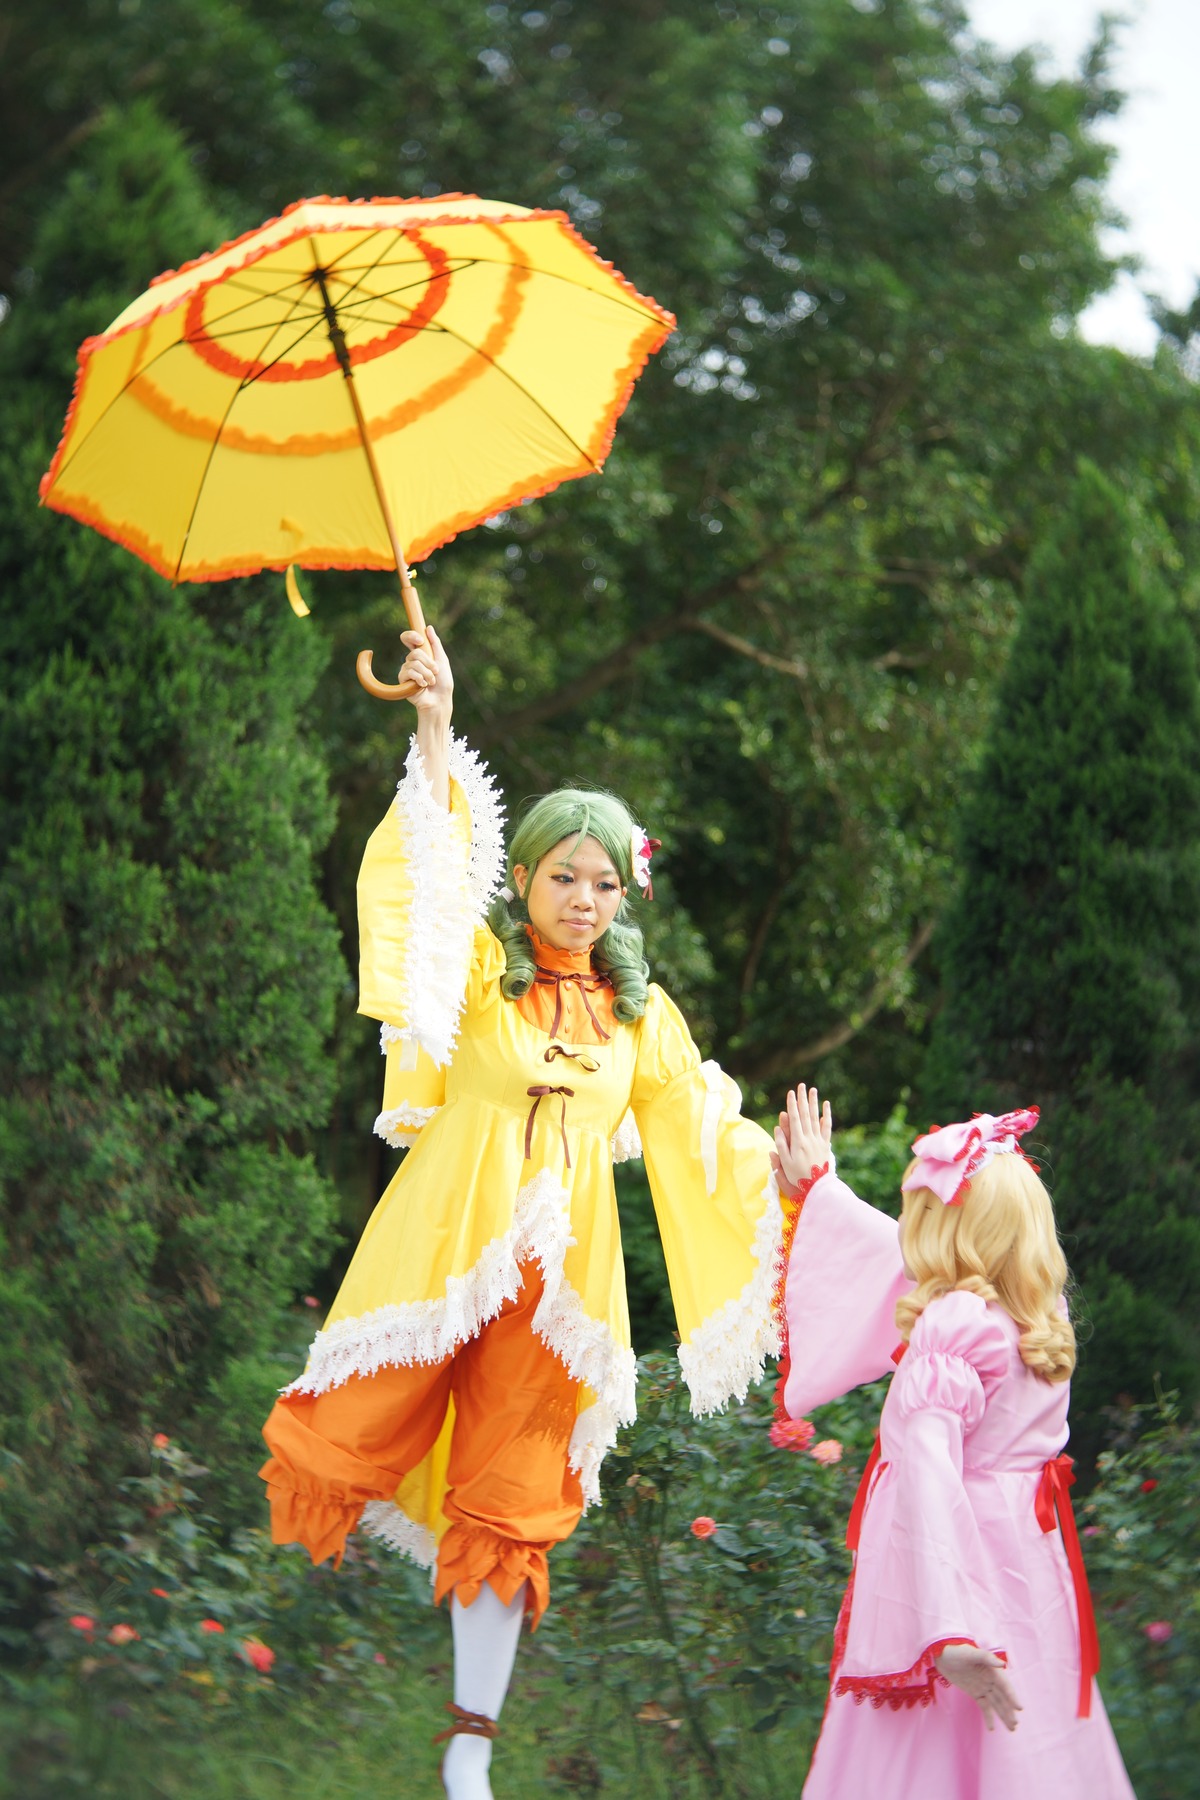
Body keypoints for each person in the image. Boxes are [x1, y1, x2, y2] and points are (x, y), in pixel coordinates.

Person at [260, 626, 783, 1799]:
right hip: (447, 1256)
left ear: (624, 890)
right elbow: (430, 879)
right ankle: (286, 1674)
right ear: (530, 877)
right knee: (351, 1434)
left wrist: (790, 1176)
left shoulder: (642, 1018)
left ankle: (469, 1752)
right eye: (565, 877)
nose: (585, 900)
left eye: (604, 882)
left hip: (561, 1294)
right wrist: (435, 720)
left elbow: (702, 1128)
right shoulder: (477, 967)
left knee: (509, 1507)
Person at [772, 1086, 1136, 1800]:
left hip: (956, 1568)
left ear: (949, 1228)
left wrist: (947, 1630)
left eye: (924, 1211)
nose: (911, 1226)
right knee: (1022, 1741)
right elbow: (899, 1264)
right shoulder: (1034, 1313)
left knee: (932, 1745)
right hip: (1025, 1561)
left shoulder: (955, 1326)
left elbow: (929, 1480)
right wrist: (820, 1191)